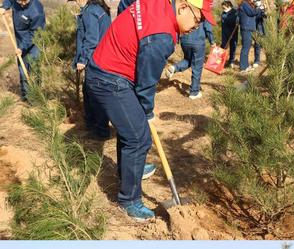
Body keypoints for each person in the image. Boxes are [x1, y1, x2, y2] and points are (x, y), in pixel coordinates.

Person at [84, 0, 216, 222]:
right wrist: (146, 110)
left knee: (131, 130)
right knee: (138, 137)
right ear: (184, 6)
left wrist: (141, 111)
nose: (198, 25)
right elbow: (146, 82)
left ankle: (129, 171)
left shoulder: (160, 4)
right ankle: (129, 201)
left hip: (107, 69)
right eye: (198, 18)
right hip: (109, 78)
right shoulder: (162, 36)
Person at [71, 0, 111, 140]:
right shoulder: (96, 9)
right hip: (101, 58)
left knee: (93, 95)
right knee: (89, 92)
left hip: (96, 60)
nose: (74, 3)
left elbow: (92, 39)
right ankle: (93, 126)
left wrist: (82, 59)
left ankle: (100, 131)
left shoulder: (90, 11)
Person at [0, 0, 45, 100]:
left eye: (25, 1)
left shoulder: (37, 11)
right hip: (21, 40)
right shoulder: (17, 1)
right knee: (22, 69)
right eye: (20, 1)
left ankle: (37, 97)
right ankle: (26, 97)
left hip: (35, 41)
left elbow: (35, 33)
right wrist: (4, 6)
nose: (23, 4)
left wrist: (22, 47)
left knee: (34, 68)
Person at [166, 19, 215, 99]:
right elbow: (208, 28)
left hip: (185, 40)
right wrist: (212, 42)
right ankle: (194, 92)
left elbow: (178, 24)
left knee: (188, 60)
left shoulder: (185, 8)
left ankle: (175, 67)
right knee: (197, 66)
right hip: (198, 41)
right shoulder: (202, 10)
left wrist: (177, 39)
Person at [238, 0, 265, 72]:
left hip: (249, 28)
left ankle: (245, 65)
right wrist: (259, 7)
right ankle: (243, 67)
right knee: (245, 47)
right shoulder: (244, 4)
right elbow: (252, 13)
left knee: (247, 47)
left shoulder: (248, 4)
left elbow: (255, 13)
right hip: (246, 28)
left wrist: (260, 9)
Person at [220, 0, 238, 68]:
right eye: (223, 8)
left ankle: (231, 61)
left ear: (229, 6)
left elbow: (236, 22)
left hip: (233, 33)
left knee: (233, 47)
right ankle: (221, 62)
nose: (223, 10)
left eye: (224, 8)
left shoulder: (235, 13)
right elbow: (223, 23)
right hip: (225, 33)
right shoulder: (223, 13)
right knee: (223, 47)